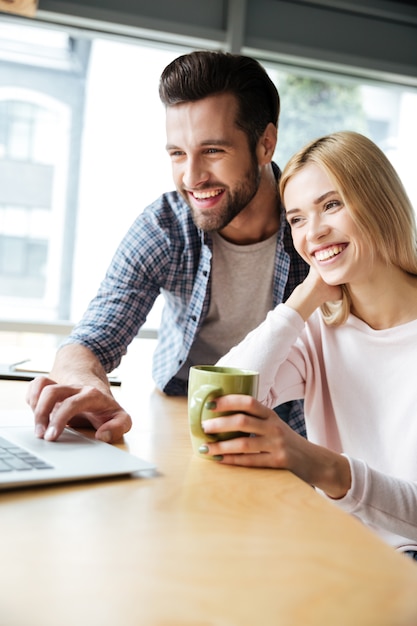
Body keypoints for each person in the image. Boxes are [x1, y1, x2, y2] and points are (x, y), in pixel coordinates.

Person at [26, 50, 308, 444]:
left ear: (265, 144)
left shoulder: (315, 228)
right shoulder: (166, 225)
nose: (191, 178)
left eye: (212, 151)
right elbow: (90, 340)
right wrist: (85, 387)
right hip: (181, 420)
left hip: (292, 430)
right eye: (177, 153)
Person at [199, 131, 417, 556]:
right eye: (297, 219)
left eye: (331, 205)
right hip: (327, 544)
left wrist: (322, 466)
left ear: (379, 202)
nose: (313, 232)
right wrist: (303, 300)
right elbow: (213, 402)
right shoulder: (318, 329)